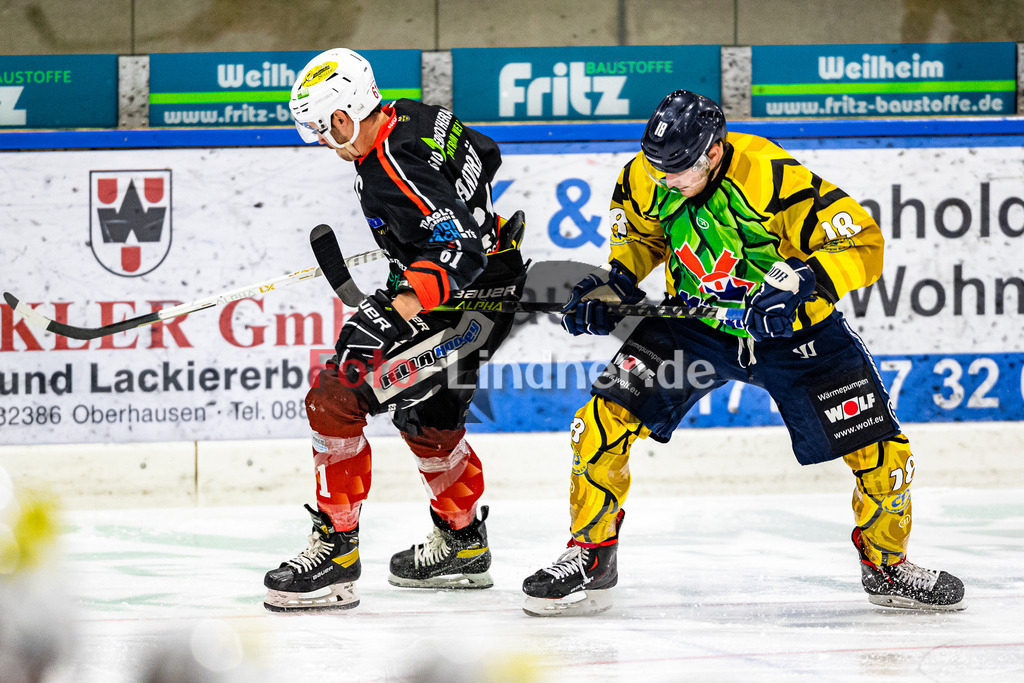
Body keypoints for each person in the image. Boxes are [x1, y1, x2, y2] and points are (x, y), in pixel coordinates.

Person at [521, 90, 965, 617]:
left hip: (796, 335)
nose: (666, 179)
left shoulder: (770, 175)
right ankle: (592, 554)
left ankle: (887, 565)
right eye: (658, 168)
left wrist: (805, 282)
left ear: (713, 152)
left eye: (679, 169)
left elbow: (862, 242)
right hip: (695, 327)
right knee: (599, 423)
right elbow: (641, 240)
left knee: (883, 455)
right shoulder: (645, 174)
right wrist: (613, 285)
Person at [264, 48, 527, 612]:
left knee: (336, 398)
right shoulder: (412, 115)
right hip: (489, 293)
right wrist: (435, 236)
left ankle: (337, 553)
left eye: (319, 129)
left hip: (461, 311)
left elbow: (460, 250)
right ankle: (463, 544)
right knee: (427, 417)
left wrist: (402, 302)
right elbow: (486, 153)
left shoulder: (388, 167)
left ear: (342, 119)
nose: (320, 142)